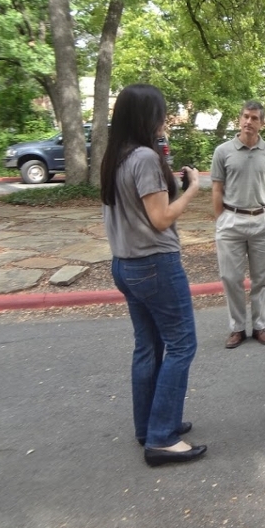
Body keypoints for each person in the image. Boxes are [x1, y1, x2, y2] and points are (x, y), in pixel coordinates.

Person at [100, 83, 207, 467]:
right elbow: (161, 219)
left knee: (148, 346)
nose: (165, 120)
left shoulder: (116, 156)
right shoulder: (144, 158)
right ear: (147, 117)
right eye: (161, 112)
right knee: (181, 345)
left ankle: (150, 425)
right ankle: (161, 438)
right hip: (153, 264)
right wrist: (193, 187)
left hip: (124, 264)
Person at [211, 100, 265, 349]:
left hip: (263, 222)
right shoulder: (223, 151)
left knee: (262, 278)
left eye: (254, 118)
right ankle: (237, 328)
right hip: (231, 221)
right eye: (245, 117)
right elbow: (217, 188)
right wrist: (221, 218)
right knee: (231, 277)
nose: (248, 122)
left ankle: (260, 326)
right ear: (239, 119)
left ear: (262, 123)